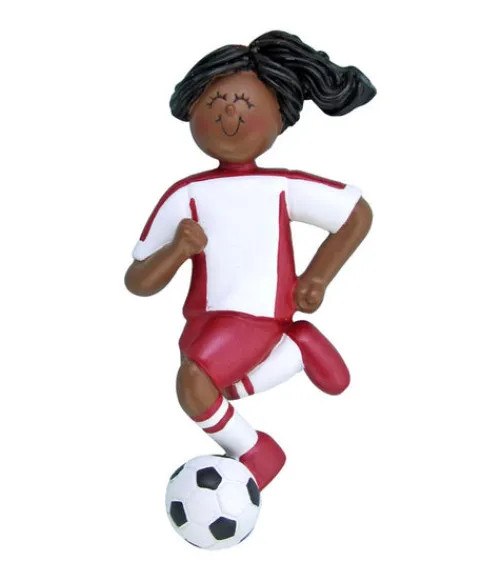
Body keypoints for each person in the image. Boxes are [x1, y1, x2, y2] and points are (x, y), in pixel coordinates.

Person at [125, 31, 376, 490]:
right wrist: (178, 250)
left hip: (256, 314)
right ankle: (295, 349)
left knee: (195, 384)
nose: (228, 114)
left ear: (279, 118)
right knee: (212, 389)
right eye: (215, 102)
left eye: (244, 103)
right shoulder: (185, 195)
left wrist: (317, 278)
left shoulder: (280, 186)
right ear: (192, 109)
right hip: (201, 322)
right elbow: (138, 280)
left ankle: (258, 452)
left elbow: (355, 215)